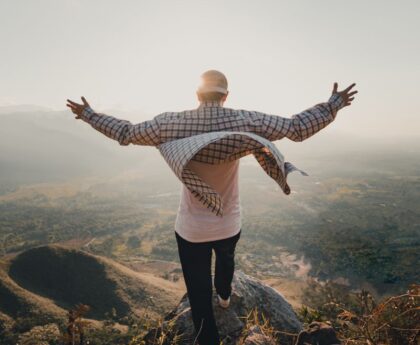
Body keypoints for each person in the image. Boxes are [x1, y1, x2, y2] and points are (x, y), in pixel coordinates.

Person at [67, 70, 357, 344]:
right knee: (226, 261)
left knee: (198, 297)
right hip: (229, 222)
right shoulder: (245, 120)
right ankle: (226, 295)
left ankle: (208, 333)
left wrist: (90, 115)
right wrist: (333, 104)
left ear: (197, 93)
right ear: (226, 96)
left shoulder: (172, 123)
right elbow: (295, 128)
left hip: (191, 228)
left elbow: (127, 133)